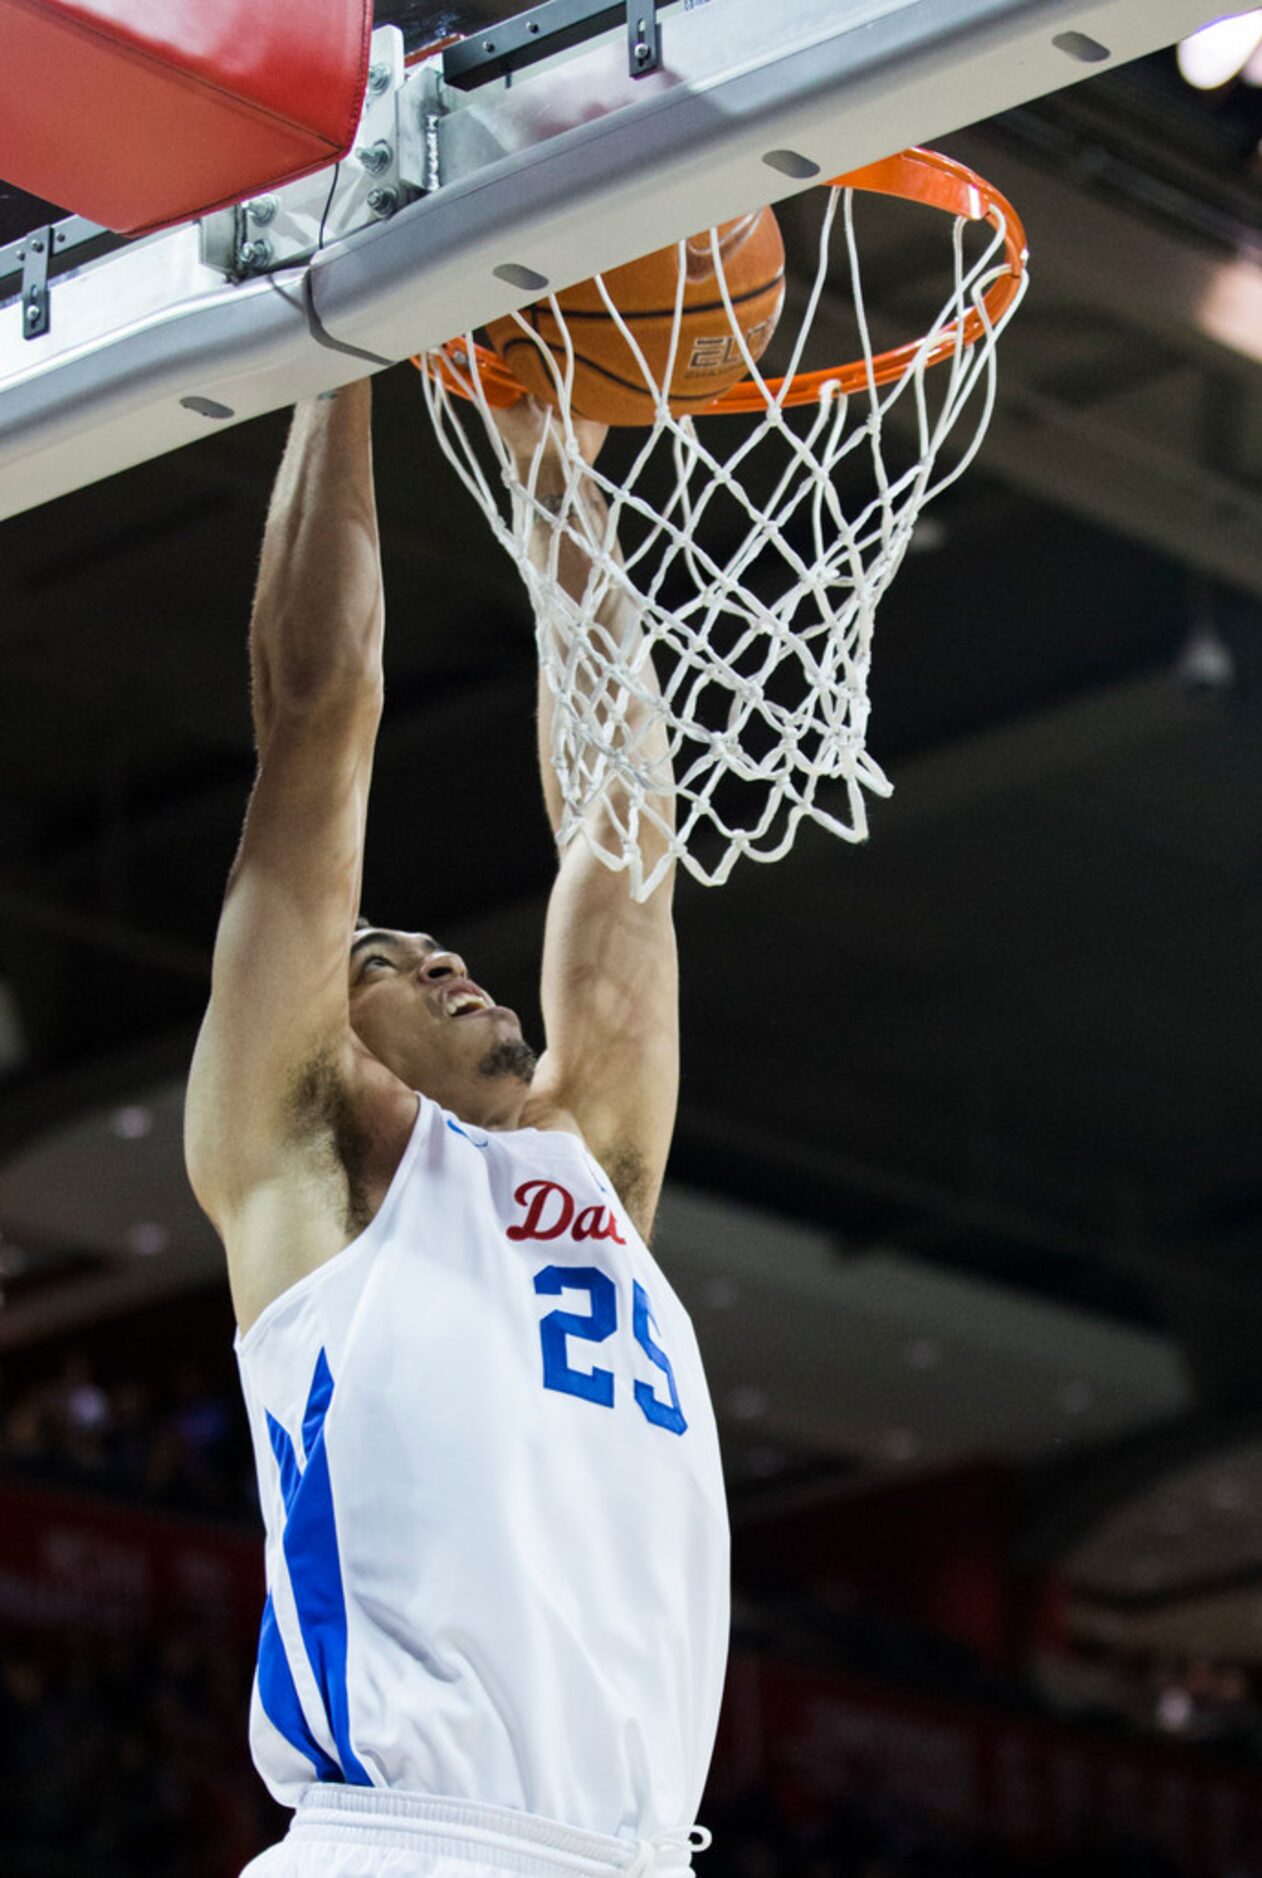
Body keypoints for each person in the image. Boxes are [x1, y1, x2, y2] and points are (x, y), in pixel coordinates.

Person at [183, 377, 730, 1878]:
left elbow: (623, 835)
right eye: (379, 959)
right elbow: (320, 713)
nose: (441, 959)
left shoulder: (590, 1173)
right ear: (311, 1023)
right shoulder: (307, 1171)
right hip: (409, 1844)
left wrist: (554, 470)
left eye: (437, 947)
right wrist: (343, 350)